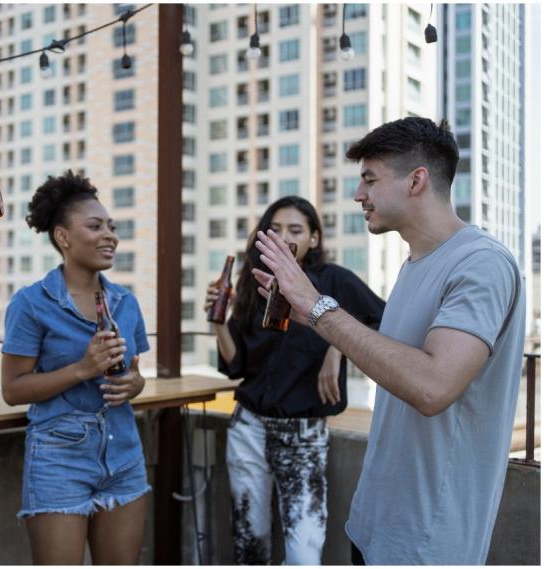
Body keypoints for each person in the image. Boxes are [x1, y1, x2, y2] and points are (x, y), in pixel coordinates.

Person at [252, 117, 525, 565]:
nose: (358, 194)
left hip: (429, 544)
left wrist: (319, 306)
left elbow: (432, 386)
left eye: (370, 179)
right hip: (374, 525)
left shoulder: (481, 263)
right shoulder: (414, 264)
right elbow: (391, 358)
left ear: (416, 181)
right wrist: (310, 317)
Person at [206, 196, 384, 565]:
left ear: (314, 238)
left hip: (303, 433)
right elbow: (236, 364)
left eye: (296, 230)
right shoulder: (254, 283)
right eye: (275, 230)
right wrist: (218, 322)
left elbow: (380, 320)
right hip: (248, 428)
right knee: (248, 545)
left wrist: (337, 348)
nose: (285, 237)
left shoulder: (332, 280)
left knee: (305, 551)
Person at [0, 171, 150, 564]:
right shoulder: (31, 303)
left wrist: (135, 385)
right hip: (58, 460)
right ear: (63, 237)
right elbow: (13, 389)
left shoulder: (126, 303)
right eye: (95, 226)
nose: (110, 235)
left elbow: (135, 375)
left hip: (124, 454)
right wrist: (82, 369)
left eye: (112, 227)